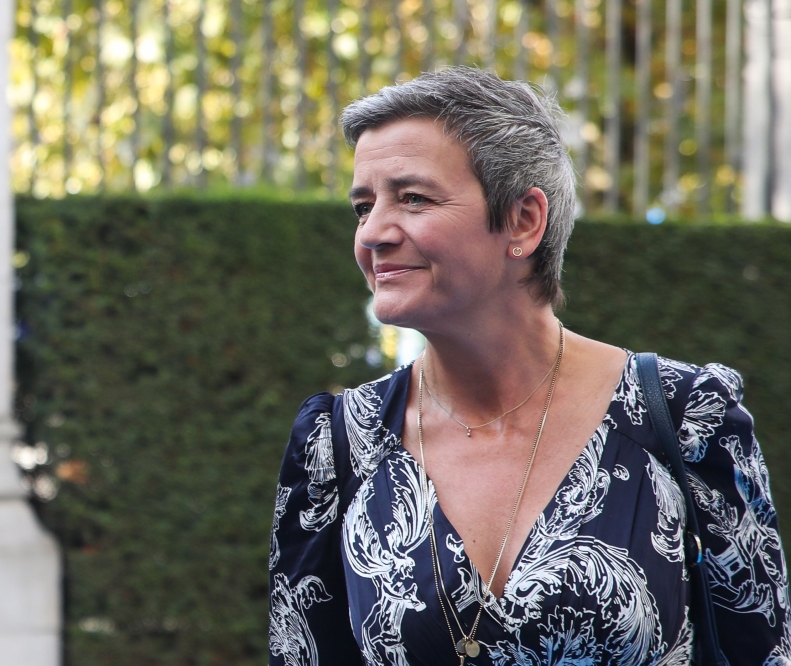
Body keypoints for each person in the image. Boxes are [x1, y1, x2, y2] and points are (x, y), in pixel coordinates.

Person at [267, 67, 790, 665]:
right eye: (364, 206)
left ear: (523, 221)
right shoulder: (338, 443)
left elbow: (762, 649)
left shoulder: (684, 416)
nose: (374, 234)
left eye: (413, 198)